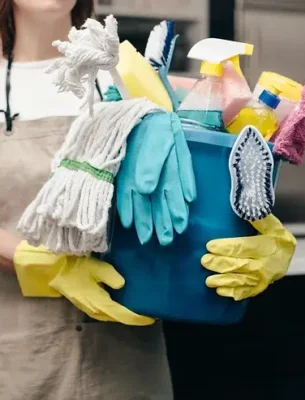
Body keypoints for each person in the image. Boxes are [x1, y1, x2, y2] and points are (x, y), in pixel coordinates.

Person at [0, 1, 173, 399]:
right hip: (17, 357)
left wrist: (251, 230)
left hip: (123, 361)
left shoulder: (131, 78)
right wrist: (40, 264)